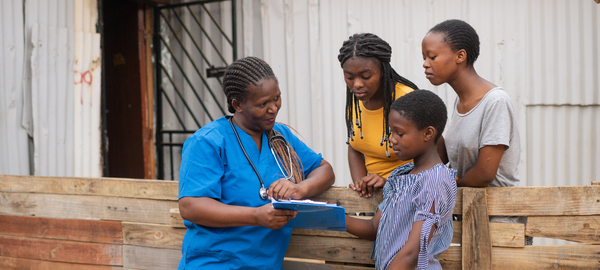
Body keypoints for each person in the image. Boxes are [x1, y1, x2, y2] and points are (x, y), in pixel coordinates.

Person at [177, 56, 335, 269]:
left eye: (277, 98)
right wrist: (255, 216)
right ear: (237, 104)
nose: (273, 108)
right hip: (215, 263)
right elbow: (190, 207)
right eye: (263, 104)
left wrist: (299, 189)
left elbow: (324, 170)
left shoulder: (280, 136)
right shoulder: (208, 142)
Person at [422, 19, 530, 243]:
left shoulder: (495, 102)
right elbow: (447, 158)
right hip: (469, 218)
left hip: (499, 225)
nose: (425, 64)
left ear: (460, 56)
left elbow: (484, 173)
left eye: (432, 57)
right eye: (424, 57)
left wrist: (447, 186)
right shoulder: (460, 102)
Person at [345, 90, 457, 270]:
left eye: (400, 134)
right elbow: (375, 227)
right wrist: (333, 218)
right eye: (391, 132)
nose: (391, 139)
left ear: (428, 133)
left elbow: (412, 253)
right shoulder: (401, 175)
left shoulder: (436, 180)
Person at [338, 33, 419, 198]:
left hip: (410, 196)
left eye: (366, 77)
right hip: (375, 198)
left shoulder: (406, 100)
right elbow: (355, 147)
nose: (357, 84)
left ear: (382, 70)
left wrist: (391, 182)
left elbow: (433, 154)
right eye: (349, 77)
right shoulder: (355, 102)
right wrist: (362, 184)